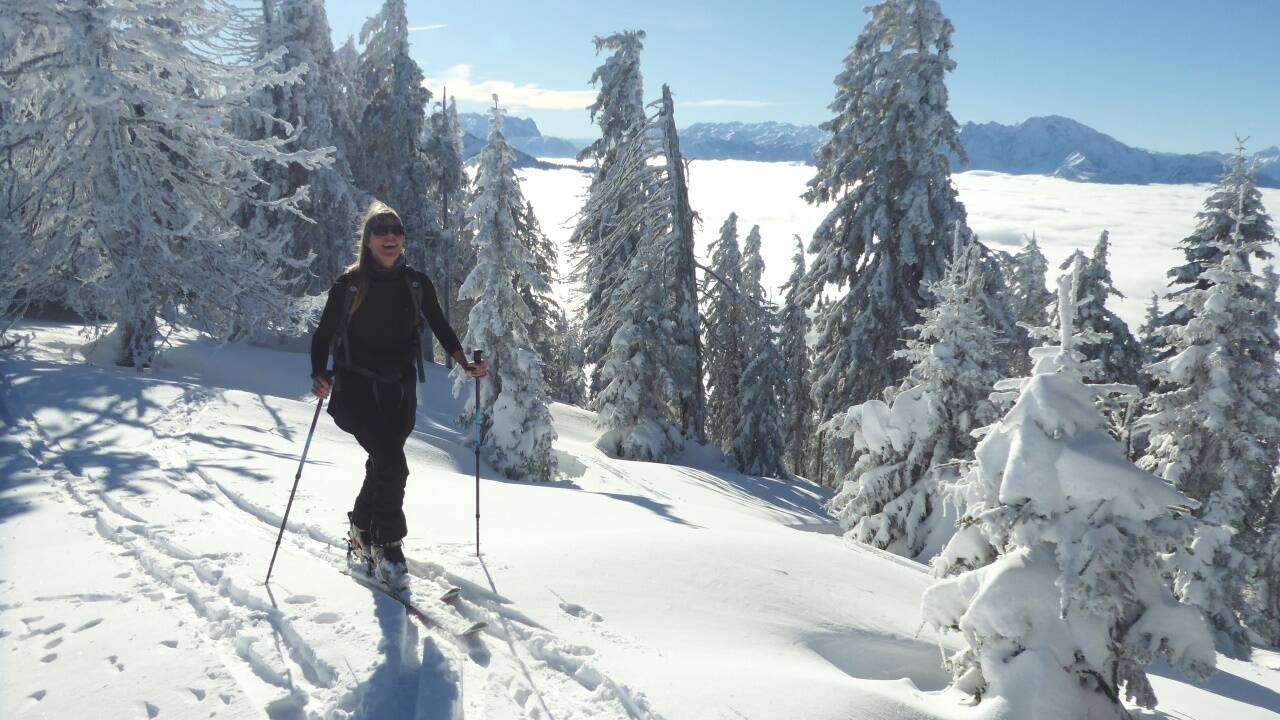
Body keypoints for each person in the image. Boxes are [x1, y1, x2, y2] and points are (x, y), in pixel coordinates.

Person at [310, 200, 486, 587]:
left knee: (382, 462)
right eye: (381, 230)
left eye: (396, 230)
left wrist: (464, 362)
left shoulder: (416, 283)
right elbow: (323, 337)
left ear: (403, 239)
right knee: (393, 463)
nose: (390, 236)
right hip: (355, 389)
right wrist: (319, 375)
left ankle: (361, 528)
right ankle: (388, 547)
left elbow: (441, 327)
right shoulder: (350, 285)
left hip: (400, 391)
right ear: (368, 240)